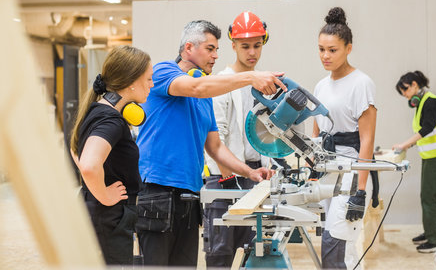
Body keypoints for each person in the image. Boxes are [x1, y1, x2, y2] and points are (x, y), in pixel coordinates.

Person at [135, 19, 285, 267]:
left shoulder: (204, 97)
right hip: (157, 191)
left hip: (189, 195)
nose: (216, 56)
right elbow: (196, 86)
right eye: (210, 48)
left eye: (217, 50)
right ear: (188, 48)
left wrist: (250, 172)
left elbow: (215, 147)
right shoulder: (162, 72)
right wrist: (250, 77)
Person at [70, 45, 153, 265]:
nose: (152, 85)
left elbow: (75, 148)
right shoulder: (111, 120)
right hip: (108, 215)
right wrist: (104, 195)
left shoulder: (96, 109)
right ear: (132, 82)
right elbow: (88, 164)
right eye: (148, 80)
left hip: (100, 212)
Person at [202, 11, 273, 268]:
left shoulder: (263, 82)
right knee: (221, 255)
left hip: (256, 176)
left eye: (256, 45)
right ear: (233, 46)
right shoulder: (221, 82)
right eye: (245, 46)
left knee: (253, 254)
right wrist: (230, 181)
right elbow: (215, 140)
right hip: (224, 179)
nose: (251, 52)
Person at [312, 7, 377, 269]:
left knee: (337, 245)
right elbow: (315, 132)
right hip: (327, 172)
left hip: (351, 173)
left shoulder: (361, 84)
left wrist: (360, 191)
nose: (325, 56)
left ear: (348, 48)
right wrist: (312, 172)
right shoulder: (320, 85)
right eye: (321, 49)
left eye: (332, 50)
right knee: (340, 244)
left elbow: (367, 141)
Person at [392, 70, 436, 253]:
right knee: (426, 195)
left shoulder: (431, 101)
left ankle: (434, 240)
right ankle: (429, 233)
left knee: (429, 197)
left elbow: (428, 128)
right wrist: (408, 146)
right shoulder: (423, 102)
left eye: (404, 90)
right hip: (431, 156)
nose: (404, 95)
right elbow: (425, 132)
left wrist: (405, 144)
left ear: (414, 85)